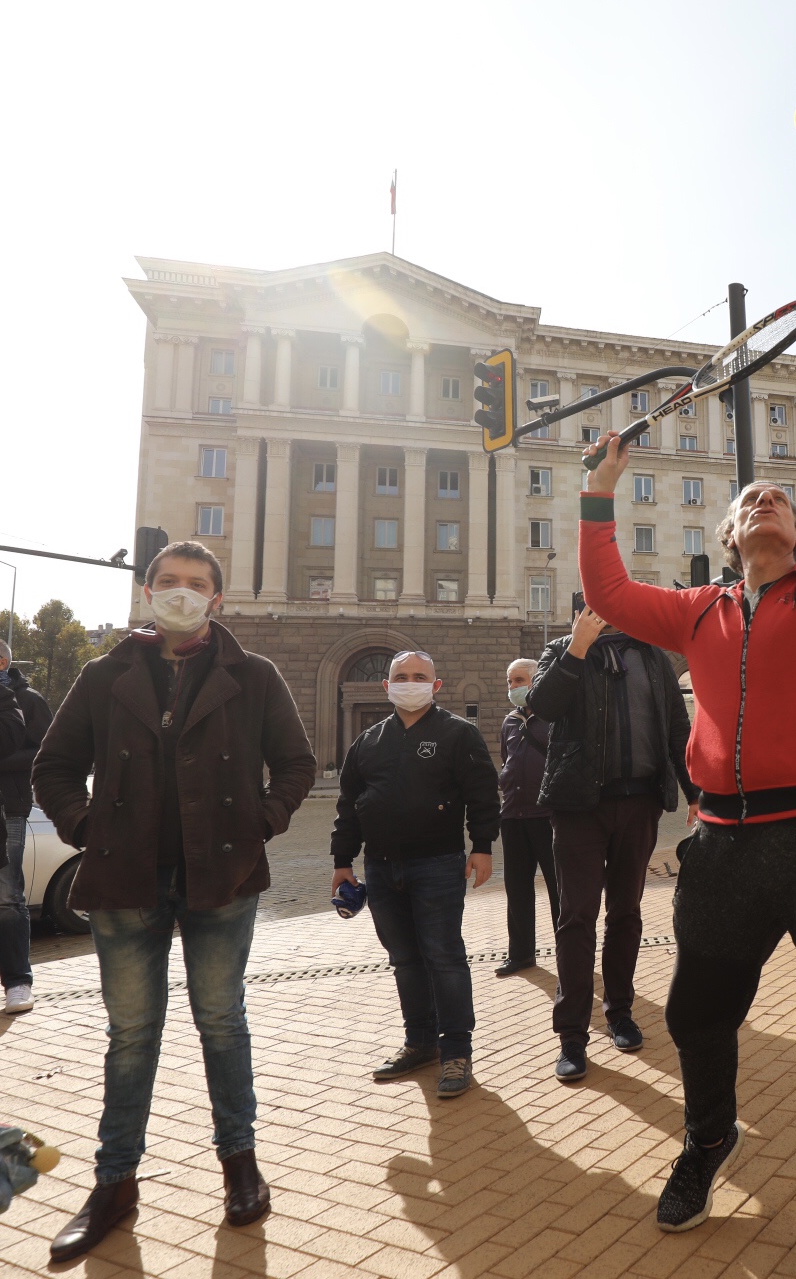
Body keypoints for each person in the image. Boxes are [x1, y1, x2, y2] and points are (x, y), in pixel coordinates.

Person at [576, 318, 796, 1231]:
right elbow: (610, 597)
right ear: (731, 531)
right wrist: (597, 496)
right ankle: (706, 1140)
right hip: (725, 847)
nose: (766, 500)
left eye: (781, 497)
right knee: (699, 1017)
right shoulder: (697, 612)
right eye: (752, 498)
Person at [32, 540, 316, 1260]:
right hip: (124, 882)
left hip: (219, 878)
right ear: (147, 591)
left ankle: (240, 1164)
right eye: (168, 581)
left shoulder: (253, 675)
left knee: (222, 1021)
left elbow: (296, 763)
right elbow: (55, 766)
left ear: (217, 599)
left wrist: (261, 821)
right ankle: (113, 1184)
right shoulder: (105, 674)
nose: (180, 592)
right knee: (130, 1036)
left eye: (196, 583)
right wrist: (86, 825)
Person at [527, 605, 698, 1082]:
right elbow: (542, 707)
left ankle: (620, 1012)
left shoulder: (651, 656)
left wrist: (695, 793)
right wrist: (578, 648)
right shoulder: (561, 650)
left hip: (639, 803)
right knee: (577, 917)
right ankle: (572, 1038)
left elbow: (677, 730)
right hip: (579, 806)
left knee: (627, 913)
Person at [330, 650, 500, 1099]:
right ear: (386, 687)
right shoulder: (367, 742)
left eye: (420, 676)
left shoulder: (458, 734)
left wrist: (482, 847)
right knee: (404, 959)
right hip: (381, 870)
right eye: (401, 677)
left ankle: (457, 1052)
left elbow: (483, 795)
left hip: (438, 865)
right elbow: (348, 807)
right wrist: (341, 862)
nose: (410, 682)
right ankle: (420, 1042)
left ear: (436, 685)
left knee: (444, 957)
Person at [496, 658, 559, 977]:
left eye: (519, 680)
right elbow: (507, 759)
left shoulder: (555, 717)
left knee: (559, 889)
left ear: (538, 681)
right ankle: (520, 954)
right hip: (513, 815)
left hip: (548, 816)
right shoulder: (509, 721)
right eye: (510, 682)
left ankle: (568, 953)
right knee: (517, 888)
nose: (513, 687)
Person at [0, 641, 52, 1013]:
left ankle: (17, 983)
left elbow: (46, 752)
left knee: (7, 895)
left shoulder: (27, 700)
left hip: (9, 808)